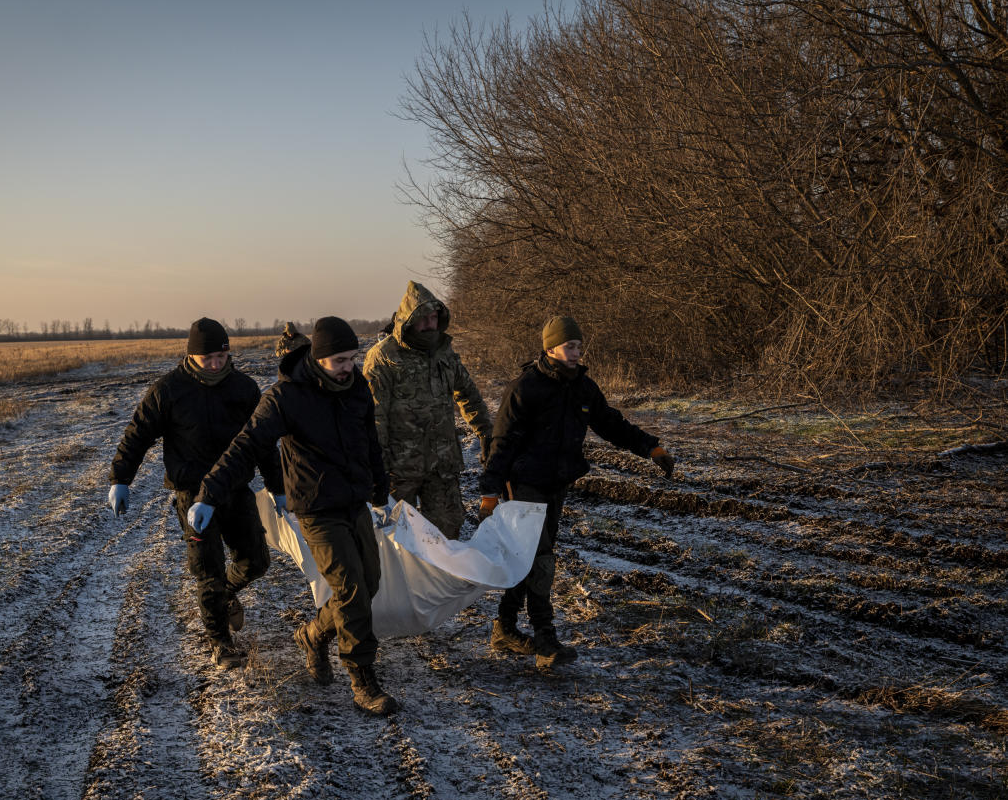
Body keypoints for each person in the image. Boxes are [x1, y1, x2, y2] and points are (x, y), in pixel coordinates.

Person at [187, 317, 398, 716]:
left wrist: (381, 494)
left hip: (353, 502)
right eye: (340, 360)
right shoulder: (287, 397)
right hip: (317, 508)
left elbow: (370, 442)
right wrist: (208, 494)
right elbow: (245, 445)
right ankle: (363, 680)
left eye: (352, 358)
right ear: (318, 359)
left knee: (368, 584)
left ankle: (313, 635)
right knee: (352, 590)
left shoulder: (357, 389)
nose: (348, 367)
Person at [479, 316, 675, 669]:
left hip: (557, 483)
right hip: (524, 485)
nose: (576, 352)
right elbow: (502, 442)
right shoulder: (525, 387)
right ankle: (545, 640)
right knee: (540, 558)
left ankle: (504, 628)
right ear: (550, 347)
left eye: (579, 346)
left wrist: (650, 448)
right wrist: (491, 493)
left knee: (529, 557)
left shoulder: (583, 388)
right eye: (570, 346)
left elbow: (611, 424)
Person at [106, 317, 284, 669]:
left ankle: (225, 596)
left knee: (256, 560)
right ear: (191, 357)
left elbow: (263, 442)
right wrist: (121, 479)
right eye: (208, 359)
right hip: (192, 495)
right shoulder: (169, 390)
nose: (216, 365)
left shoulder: (244, 389)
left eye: (222, 356)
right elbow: (138, 434)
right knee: (208, 571)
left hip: (235, 489)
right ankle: (221, 642)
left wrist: (278, 487)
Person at [364, 281, 493, 539]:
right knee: (399, 537)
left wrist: (485, 432)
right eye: (422, 318)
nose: (429, 324)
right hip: (400, 469)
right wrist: (377, 466)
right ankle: (407, 580)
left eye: (434, 318)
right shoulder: (384, 357)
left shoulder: (444, 353)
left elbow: (467, 394)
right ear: (408, 320)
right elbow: (373, 415)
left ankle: (442, 579)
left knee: (446, 532)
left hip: (442, 464)